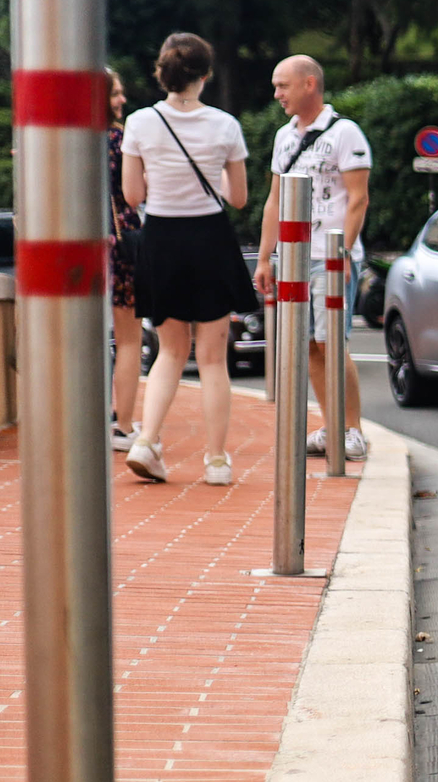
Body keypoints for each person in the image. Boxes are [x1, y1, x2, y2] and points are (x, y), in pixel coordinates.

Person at [120, 33, 255, 485]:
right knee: (213, 358)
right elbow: (238, 198)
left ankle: (147, 440)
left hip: (160, 237)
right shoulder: (224, 126)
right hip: (210, 238)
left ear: (163, 72)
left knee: (170, 352)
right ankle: (216, 461)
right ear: (205, 74)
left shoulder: (140, 122)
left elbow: (133, 194)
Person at [252, 55, 370, 460]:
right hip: (295, 257)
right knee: (309, 348)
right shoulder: (284, 136)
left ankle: (352, 430)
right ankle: (331, 424)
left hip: (330, 255)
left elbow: (358, 199)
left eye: (282, 85)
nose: (277, 94)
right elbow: (274, 201)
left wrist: (346, 254)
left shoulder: (344, 133)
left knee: (332, 342)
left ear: (308, 84)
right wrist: (266, 258)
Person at [104, 69, 142, 451]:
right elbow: (134, 194)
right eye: (115, 93)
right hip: (120, 242)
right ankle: (124, 425)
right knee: (129, 338)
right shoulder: (120, 140)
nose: (121, 100)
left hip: (72, 247)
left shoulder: (60, 143)